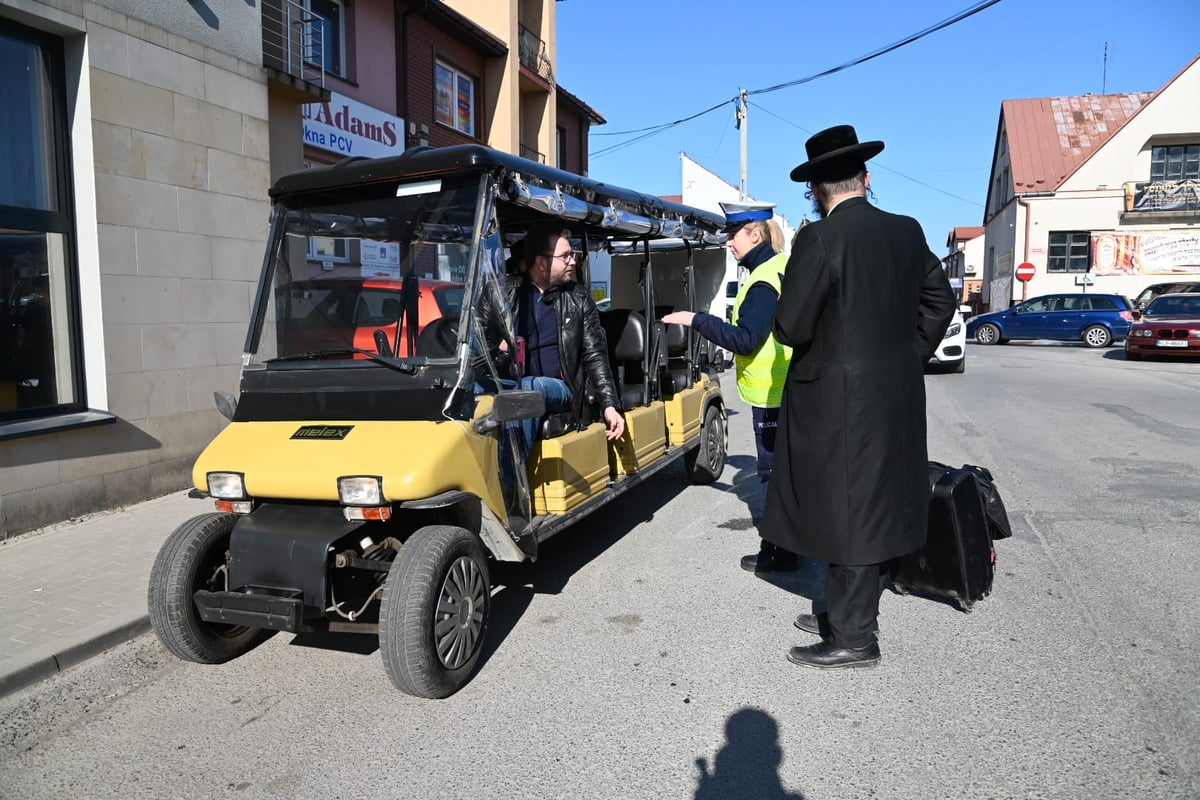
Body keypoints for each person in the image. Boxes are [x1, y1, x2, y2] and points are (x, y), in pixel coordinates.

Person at [761, 124, 956, 670]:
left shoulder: (819, 238)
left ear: (817, 191)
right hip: (893, 392)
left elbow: (791, 327)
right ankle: (844, 611)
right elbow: (939, 304)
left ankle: (854, 638)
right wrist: (904, 357)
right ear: (866, 178)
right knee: (867, 500)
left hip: (835, 397)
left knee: (846, 507)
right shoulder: (907, 230)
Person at [662, 201, 799, 573]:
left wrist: (697, 319)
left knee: (774, 476)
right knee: (789, 474)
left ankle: (780, 553)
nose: (729, 243)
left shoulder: (762, 281)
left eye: (733, 235)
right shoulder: (780, 267)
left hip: (773, 391)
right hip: (789, 386)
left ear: (755, 234)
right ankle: (791, 547)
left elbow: (746, 339)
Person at [481, 223, 625, 455]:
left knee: (528, 388)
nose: (573, 261)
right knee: (472, 387)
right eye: (566, 256)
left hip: (558, 389)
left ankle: (509, 484)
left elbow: (594, 354)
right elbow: (478, 342)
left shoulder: (578, 298)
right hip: (507, 383)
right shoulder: (502, 293)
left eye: (573, 255)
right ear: (541, 262)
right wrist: (499, 349)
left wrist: (610, 405)